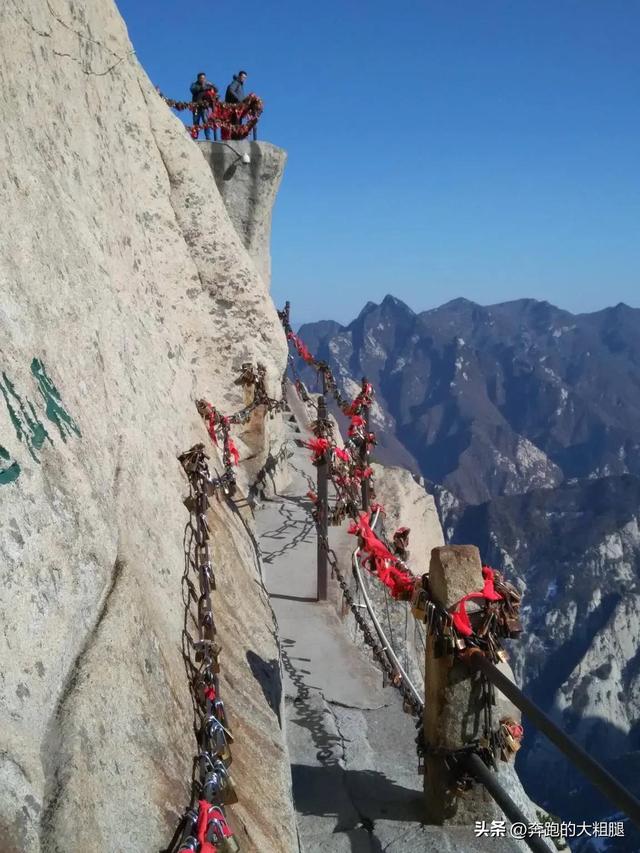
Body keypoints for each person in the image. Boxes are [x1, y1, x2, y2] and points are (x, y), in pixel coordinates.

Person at [190, 72, 217, 140]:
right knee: (196, 121)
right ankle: (194, 136)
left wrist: (212, 85)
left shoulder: (207, 84)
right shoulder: (194, 85)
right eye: (201, 78)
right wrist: (202, 87)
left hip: (204, 107)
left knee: (206, 121)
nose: (203, 79)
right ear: (198, 79)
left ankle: (207, 137)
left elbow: (216, 89)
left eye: (204, 78)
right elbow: (192, 89)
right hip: (196, 106)